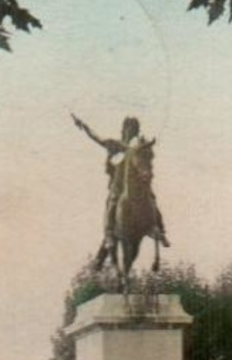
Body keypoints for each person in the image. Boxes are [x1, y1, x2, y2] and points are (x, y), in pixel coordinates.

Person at [72, 112, 169, 268]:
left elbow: (147, 160)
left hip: (139, 188)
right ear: (123, 131)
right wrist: (83, 126)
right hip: (118, 187)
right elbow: (97, 138)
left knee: (152, 201)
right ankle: (109, 236)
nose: (132, 132)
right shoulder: (115, 145)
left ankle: (160, 230)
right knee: (112, 206)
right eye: (129, 129)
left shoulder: (138, 148)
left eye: (135, 130)